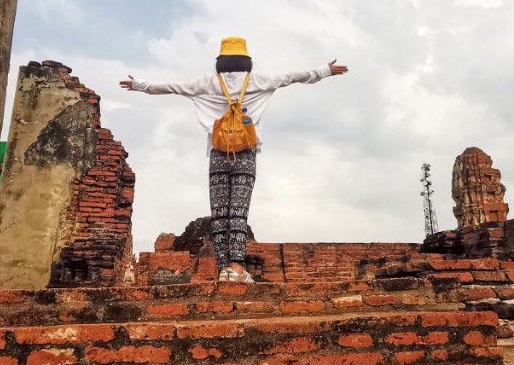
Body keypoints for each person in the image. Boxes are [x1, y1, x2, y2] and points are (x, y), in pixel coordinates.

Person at [120, 37, 348, 284]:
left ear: (220, 61)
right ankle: (238, 268)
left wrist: (140, 85)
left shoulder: (208, 82)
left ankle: (223, 269)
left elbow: (172, 87)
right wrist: (324, 71)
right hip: (246, 152)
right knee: (239, 211)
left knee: (220, 214)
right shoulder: (258, 80)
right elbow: (292, 77)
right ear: (246, 60)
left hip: (218, 152)